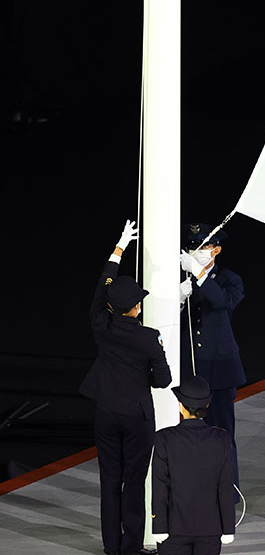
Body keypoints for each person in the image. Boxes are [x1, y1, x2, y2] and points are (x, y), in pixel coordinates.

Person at [80, 220, 172, 555]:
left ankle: (112, 546)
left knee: (109, 481)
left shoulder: (100, 322)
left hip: (105, 409)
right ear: (136, 308)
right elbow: (163, 380)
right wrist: (142, 376)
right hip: (136, 415)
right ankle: (131, 547)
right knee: (133, 482)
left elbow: (101, 288)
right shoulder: (147, 339)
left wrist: (118, 249)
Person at [179, 223, 245, 497]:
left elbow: (222, 302)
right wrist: (178, 299)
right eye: (193, 246)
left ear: (216, 249)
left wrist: (199, 275)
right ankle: (195, 490)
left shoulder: (229, 279)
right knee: (188, 435)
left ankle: (228, 492)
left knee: (222, 433)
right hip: (190, 369)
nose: (197, 251)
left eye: (203, 246)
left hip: (219, 370)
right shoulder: (180, 277)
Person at [152, 375, 236, 555]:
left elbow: (160, 486)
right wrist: (228, 528)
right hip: (210, 529)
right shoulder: (222, 439)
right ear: (207, 406)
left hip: (173, 530)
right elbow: (225, 486)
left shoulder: (164, 439)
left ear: (180, 405)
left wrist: (159, 525)